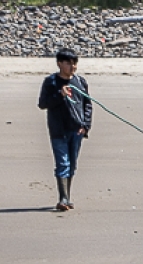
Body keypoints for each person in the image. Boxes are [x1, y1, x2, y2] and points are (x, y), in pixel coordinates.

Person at [37, 48, 93, 211]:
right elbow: (42, 104)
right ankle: (63, 198)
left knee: (72, 164)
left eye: (74, 63)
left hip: (77, 130)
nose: (72, 66)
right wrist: (59, 95)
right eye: (68, 63)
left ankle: (67, 197)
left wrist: (85, 125)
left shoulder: (80, 81)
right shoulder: (51, 82)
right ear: (59, 63)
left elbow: (87, 105)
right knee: (63, 163)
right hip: (58, 130)